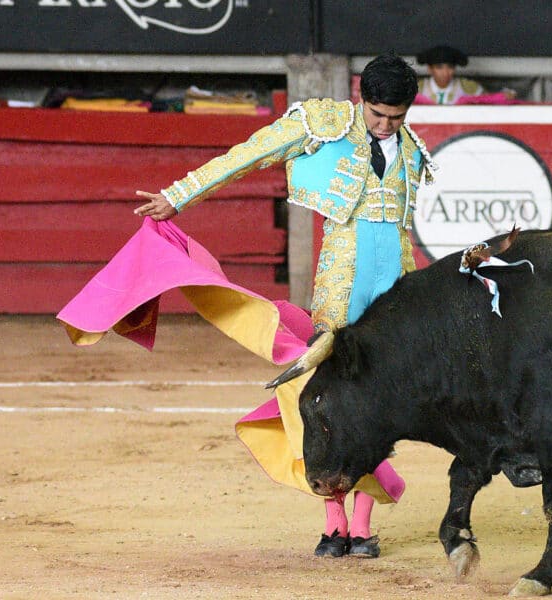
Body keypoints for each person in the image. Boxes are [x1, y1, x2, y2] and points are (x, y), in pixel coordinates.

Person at [133, 53, 435, 559]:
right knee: (328, 403)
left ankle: (362, 524)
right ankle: (333, 520)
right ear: (361, 98)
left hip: (395, 290)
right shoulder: (324, 124)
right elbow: (249, 154)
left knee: (381, 407)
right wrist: (179, 196)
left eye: (396, 118)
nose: (386, 126)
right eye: (378, 115)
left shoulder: (412, 150)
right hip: (343, 284)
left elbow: (403, 235)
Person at [415, 44, 516, 105]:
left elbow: (489, 101)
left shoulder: (468, 87)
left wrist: (504, 96)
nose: (445, 73)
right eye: (439, 67)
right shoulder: (418, 88)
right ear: (429, 69)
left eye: (450, 67)